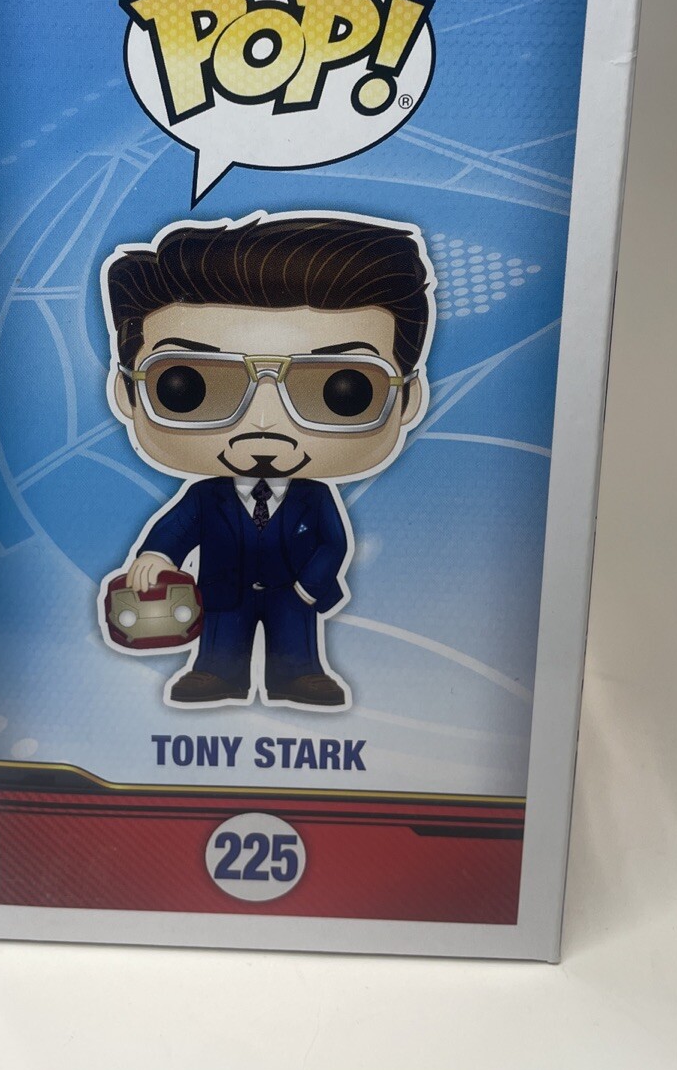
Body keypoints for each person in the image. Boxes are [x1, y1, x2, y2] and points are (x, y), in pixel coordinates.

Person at [102, 212, 432, 709]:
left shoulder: (315, 498)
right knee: (221, 643)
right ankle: (216, 672)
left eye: (342, 389)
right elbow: (177, 528)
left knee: (296, 645)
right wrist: (156, 556)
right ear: (126, 392)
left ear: (407, 399)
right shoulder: (205, 496)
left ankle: (299, 676)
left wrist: (310, 587)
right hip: (222, 595)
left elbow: (333, 544)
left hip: (293, 593)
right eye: (189, 387)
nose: (263, 423)